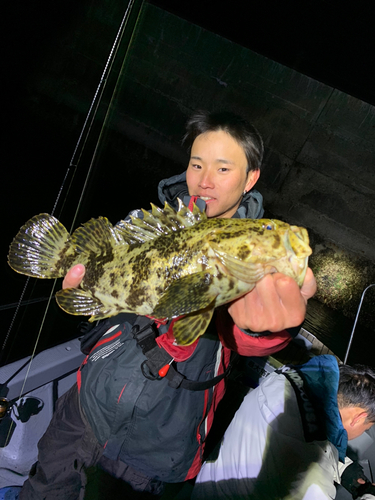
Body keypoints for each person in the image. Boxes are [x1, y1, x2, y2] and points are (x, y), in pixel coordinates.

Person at [19, 110, 317, 499]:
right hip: (87, 405)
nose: (204, 181)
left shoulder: (252, 270)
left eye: (223, 169)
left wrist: (267, 333)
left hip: (160, 445)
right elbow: (98, 314)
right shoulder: (150, 222)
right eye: (196, 164)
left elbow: (247, 341)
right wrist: (88, 290)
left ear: (251, 178)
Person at [192, 355, 375, 500]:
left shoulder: (283, 381)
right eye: (367, 427)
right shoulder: (314, 482)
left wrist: (345, 470)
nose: (362, 432)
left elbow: (317, 440)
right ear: (358, 418)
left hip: (206, 490)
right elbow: (311, 454)